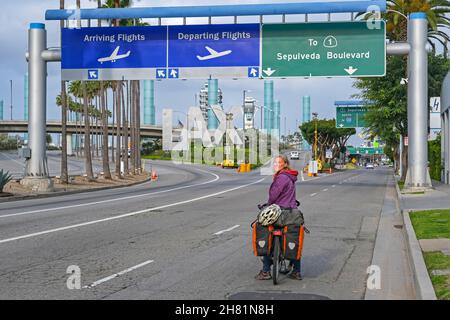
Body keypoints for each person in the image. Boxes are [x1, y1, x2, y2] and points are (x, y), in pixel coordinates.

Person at [255, 154, 303, 280]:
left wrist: (268, 205)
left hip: (280, 213)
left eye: (278, 162)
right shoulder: (290, 176)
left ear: (285, 164)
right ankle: (296, 271)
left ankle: (266, 271)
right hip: (292, 212)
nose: (275, 165)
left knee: (265, 230)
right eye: (274, 163)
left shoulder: (281, 177)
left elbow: (274, 195)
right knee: (293, 237)